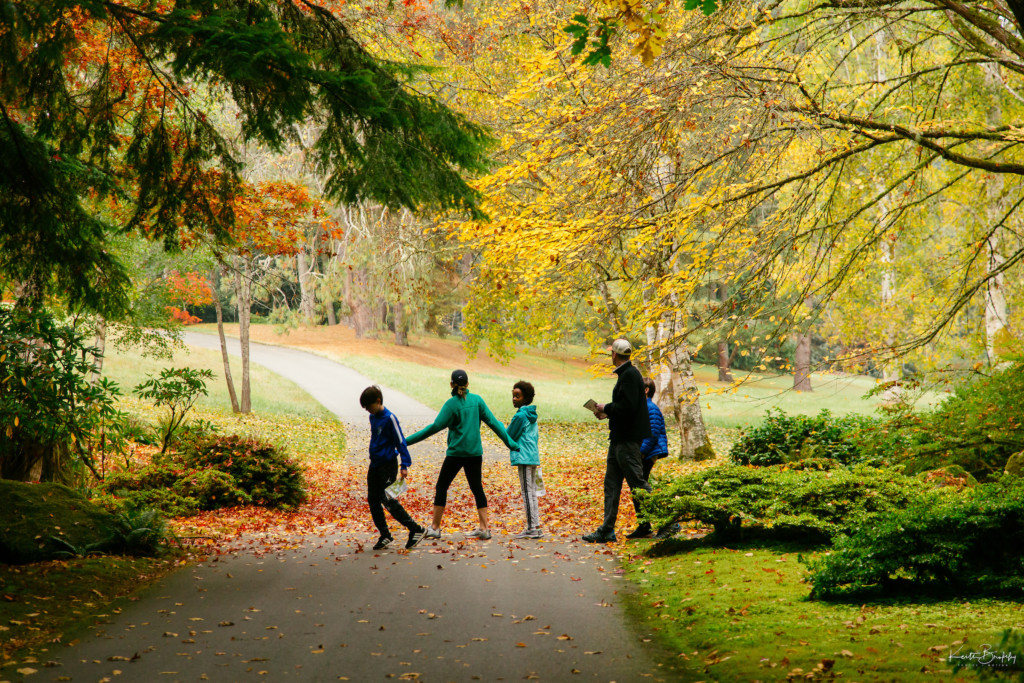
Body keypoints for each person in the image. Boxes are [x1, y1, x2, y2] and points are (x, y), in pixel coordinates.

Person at [406, 369, 519, 541]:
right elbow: (495, 423)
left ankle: (435, 528)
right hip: (474, 454)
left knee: (442, 486)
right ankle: (484, 529)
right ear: (468, 384)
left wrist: (405, 442)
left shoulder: (451, 405)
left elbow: (432, 428)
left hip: (456, 454)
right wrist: (511, 444)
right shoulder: (477, 401)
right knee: (477, 488)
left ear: (451, 384)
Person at [583, 339, 652, 543]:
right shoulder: (629, 374)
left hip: (627, 441)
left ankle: (667, 521)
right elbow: (627, 407)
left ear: (614, 354)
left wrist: (606, 408)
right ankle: (607, 529)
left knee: (638, 483)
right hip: (619, 439)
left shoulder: (629, 375)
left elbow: (628, 408)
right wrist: (609, 413)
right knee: (611, 484)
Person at [359, 385, 426, 551]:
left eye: (369, 406)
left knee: (387, 499)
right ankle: (385, 535)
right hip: (374, 465)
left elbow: (400, 441)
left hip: (388, 465)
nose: (368, 410)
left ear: (378, 401)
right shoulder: (373, 417)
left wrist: (405, 464)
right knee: (373, 499)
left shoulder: (390, 418)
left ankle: (416, 529)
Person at [629, 377, 681, 539]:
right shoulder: (642, 408)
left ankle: (671, 523)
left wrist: (640, 453)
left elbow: (651, 434)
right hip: (642, 454)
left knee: (641, 488)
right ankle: (644, 526)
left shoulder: (650, 408)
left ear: (645, 390)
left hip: (647, 455)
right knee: (637, 490)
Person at [506, 380, 542, 539]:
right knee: (532, 492)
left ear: (525, 398)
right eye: (513, 396)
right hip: (532, 456)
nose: (514, 399)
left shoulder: (521, 415)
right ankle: (536, 526)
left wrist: (500, 426)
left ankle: (532, 528)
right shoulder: (531, 414)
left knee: (527, 493)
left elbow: (509, 435)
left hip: (525, 457)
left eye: (518, 396)